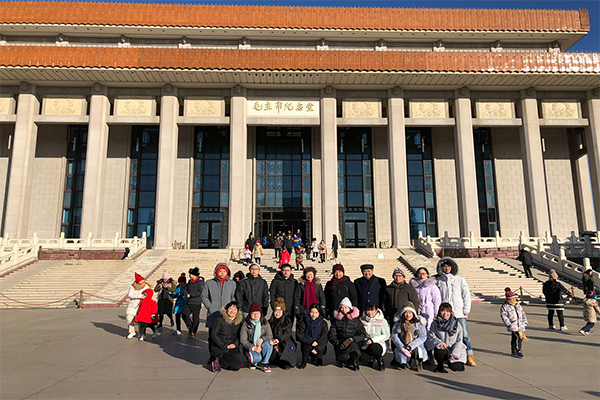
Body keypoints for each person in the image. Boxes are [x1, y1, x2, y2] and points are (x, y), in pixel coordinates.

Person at [435, 257, 476, 367]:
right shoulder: (438, 280)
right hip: (445, 313)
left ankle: (469, 355)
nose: (447, 268)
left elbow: (466, 295)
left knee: (464, 335)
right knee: (445, 335)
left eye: (449, 266)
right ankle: (448, 355)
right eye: (444, 266)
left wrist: (466, 309)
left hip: (458, 312)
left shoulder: (459, 279)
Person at [202, 263, 237, 363]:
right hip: (213, 313)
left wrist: (232, 309)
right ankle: (212, 356)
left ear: (227, 272)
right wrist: (210, 307)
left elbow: (233, 297)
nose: (222, 273)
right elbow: (204, 296)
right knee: (212, 336)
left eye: (224, 271)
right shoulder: (209, 283)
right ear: (216, 272)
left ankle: (224, 355)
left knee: (226, 334)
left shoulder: (232, 283)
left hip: (227, 314)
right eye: (220, 271)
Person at [328, 297, 367, 371]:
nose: (344, 309)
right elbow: (331, 335)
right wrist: (336, 342)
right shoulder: (336, 321)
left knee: (353, 346)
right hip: (341, 342)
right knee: (342, 356)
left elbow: (362, 334)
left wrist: (352, 339)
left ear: (350, 308)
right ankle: (342, 360)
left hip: (353, 342)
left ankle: (355, 361)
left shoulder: (356, 321)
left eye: (346, 307)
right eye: (342, 308)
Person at [429, 302, 467, 373]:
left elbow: (459, 341)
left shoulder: (456, 324)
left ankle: (457, 363)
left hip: (454, 348)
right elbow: (431, 335)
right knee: (439, 350)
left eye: (448, 311)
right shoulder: (435, 323)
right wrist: (439, 343)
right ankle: (440, 367)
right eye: (443, 311)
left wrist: (455, 354)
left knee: (455, 367)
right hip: (444, 348)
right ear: (439, 311)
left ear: (451, 312)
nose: (445, 313)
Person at [391, 302, 428, 371]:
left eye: (410, 313)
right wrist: (401, 346)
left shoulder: (419, 324)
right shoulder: (398, 323)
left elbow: (423, 337)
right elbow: (394, 336)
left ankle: (418, 362)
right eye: (406, 313)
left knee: (418, 352)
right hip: (403, 345)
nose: (408, 315)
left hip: (416, 345)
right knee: (402, 356)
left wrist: (411, 346)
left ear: (413, 313)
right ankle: (406, 362)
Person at [240, 302, 274, 372]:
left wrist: (262, 339)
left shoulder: (265, 322)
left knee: (269, 343)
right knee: (256, 359)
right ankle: (253, 362)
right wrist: (253, 348)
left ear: (260, 314)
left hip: (261, 344)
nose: (256, 315)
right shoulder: (245, 324)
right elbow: (243, 340)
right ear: (250, 314)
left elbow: (270, 335)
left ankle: (265, 363)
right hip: (251, 345)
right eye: (253, 313)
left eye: (258, 313)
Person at [209, 301, 243, 372]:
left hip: (232, 345)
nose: (232, 311)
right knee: (230, 357)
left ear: (237, 311)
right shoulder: (219, 320)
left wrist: (235, 344)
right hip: (219, 346)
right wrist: (224, 345)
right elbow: (214, 334)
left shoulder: (239, 321)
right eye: (230, 309)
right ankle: (217, 360)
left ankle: (220, 362)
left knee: (237, 366)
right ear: (226, 309)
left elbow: (239, 335)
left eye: (235, 309)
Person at [359, 302, 390, 371]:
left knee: (374, 347)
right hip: (366, 343)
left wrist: (373, 340)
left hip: (378, 343)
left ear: (376, 311)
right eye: (368, 310)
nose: (370, 313)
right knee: (363, 358)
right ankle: (371, 359)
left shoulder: (382, 321)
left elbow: (386, 335)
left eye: (372, 310)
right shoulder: (361, 320)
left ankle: (380, 361)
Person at [296, 303, 328, 368]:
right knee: (305, 346)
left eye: (316, 312)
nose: (313, 315)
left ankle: (319, 359)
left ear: (319, 313)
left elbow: (325, 336)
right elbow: (300, 334)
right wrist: (311, 341)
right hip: (308, 342)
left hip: (319, 343)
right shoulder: (304, 321)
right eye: (312, 312)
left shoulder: (323, 323)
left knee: (321, 349)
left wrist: (317, 345)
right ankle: (304, 361)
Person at [268, 298, 297, 369]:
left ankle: (285, 362)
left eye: (279, 312)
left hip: (285, 341)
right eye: (276, 311)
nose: (277, 314)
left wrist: (279, 339)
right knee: (273, 357)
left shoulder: (287, 321)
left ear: (283, 312)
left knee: (286, 350)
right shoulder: (270, 322)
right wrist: (274, 342)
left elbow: (288, 333)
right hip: (274, 342)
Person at [500, 287, 528, 358]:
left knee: (518, 338)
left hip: (520, 325)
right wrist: (508, 323)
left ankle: (514, 350)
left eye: (514, 298)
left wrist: (524, 321)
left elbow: (523, 314)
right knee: (517, 337)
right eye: (512, 299)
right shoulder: (505, 307)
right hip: (513, 325)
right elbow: (504, 316)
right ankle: (518, 351)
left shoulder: (518, 305)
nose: (514, 300)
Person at [125, 272, 151, 339]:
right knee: (129, 318)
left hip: (142, 304)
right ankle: (132, 331)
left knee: (141, 320)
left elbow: (149, 294)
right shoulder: (132, 286)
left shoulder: (146, 286)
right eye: (141, 280)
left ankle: (141, 333)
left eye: (143, 280)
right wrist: (139, 296)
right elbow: (130, 295)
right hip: (133, 304)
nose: (143, 281)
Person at [183, 267, 204, 338]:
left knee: (195, 318)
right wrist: (185, 293)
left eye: (190, 274)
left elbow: (200, 292)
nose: (189, 275)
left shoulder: (200, 282)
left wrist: (191, 295)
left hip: (196, 302)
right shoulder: (189, 282)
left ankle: (193, 331)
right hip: (189, 302)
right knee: (184, 315)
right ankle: (190, 327)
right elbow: (186, 288)